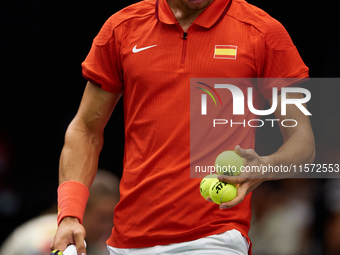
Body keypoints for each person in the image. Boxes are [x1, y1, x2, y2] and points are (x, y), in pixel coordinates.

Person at [50, 0, 315, 254]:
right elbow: (85, 129)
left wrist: (265, 167)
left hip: (216, 238)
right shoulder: (122, 28)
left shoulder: (263, 32)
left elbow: (304, 143)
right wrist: (70, 214)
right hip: (127, 242)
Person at [0, 169, 119, 255]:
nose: (107, 227)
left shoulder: (96, 245)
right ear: (81, 211)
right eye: (102, 218)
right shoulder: (44, 242)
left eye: (111, 219)